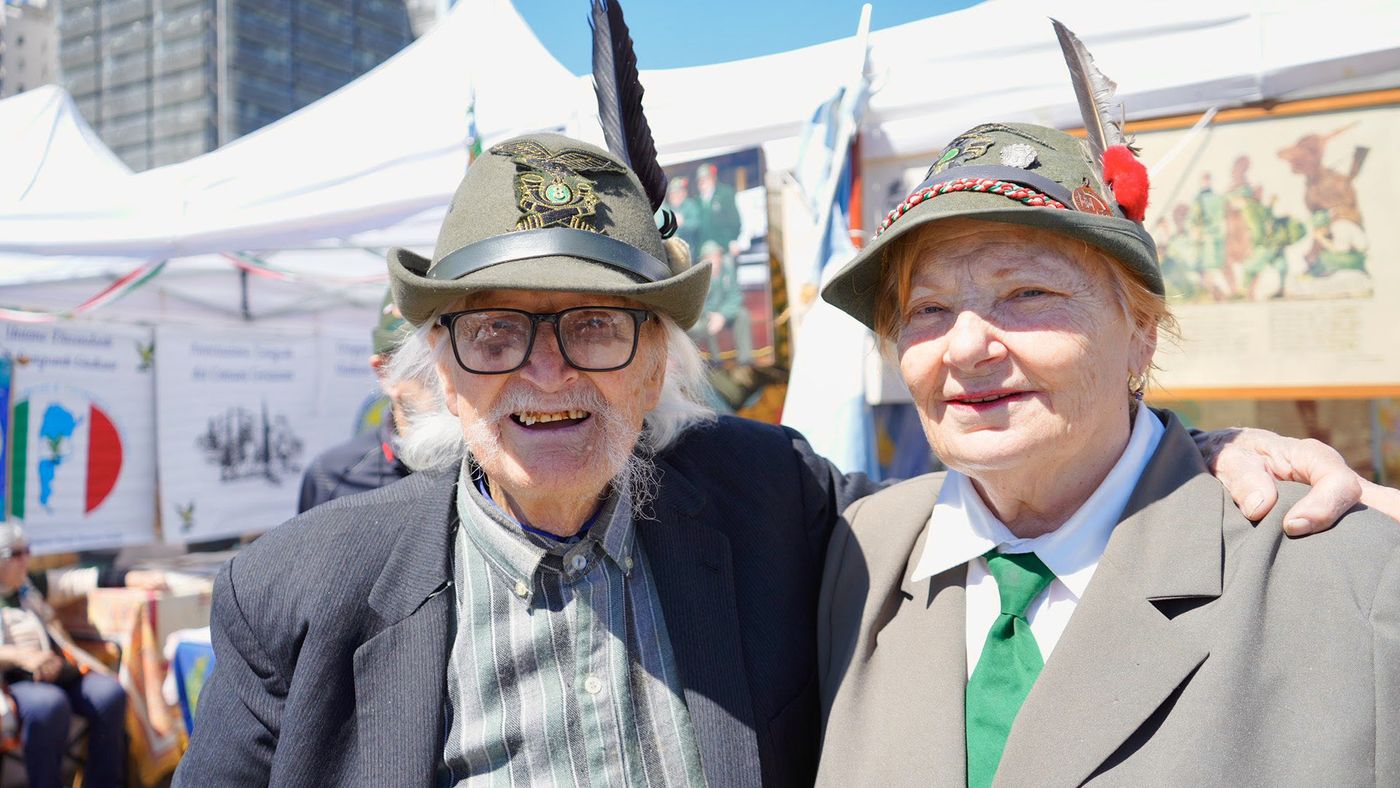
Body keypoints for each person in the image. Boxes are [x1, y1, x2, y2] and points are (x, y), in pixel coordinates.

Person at [176, 131, 1390, 787]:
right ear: (442, 367)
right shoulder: (304, 590)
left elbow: (1050, 482)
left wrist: (1216, 453)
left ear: (658, 363)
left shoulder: (777, 510)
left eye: (598, 326)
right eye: (494, 330)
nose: (546, 374)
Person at [816, 122, 1400, 786]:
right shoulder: (856, 552)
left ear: (1141, 333)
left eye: (1028, 294)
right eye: (928, 308)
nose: (965, 347)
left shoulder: (1347, 577)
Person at [0, 525, 158, 788]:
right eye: (16, 554)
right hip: (16, 680)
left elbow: (75, 580)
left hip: (60, 670)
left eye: (27, 551)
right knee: (49, 705)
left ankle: (103, 783)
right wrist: (24, 657)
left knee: (109, 693)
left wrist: (129, 577)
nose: (25, 559)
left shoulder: (29, 585)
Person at [297, 291, 417, 511]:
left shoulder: (487, 466)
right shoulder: (333, 476)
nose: (448, 375)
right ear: (385, 373)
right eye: (424, 359)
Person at [689, 239, 753, 364]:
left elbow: (736, 296)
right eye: (710, 257)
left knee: (743, 314)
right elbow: (694, 303)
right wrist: (711, 314)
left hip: (725, 312)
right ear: (703, 260)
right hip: (706, 316)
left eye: (716, 256)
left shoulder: (728, 270)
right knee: (703, 327)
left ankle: (745, 359)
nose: (715, 260)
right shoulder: (697, 276)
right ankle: (716, 360)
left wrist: (722, 315)